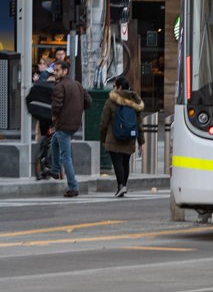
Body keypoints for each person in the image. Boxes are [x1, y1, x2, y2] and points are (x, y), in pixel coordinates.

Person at [49, 61, 91, 197]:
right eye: (54, 70)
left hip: (63, 124)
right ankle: (55, 170)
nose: (55, 72)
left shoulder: (59, 86)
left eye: (57, 70)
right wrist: (77, 109)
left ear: (65, 71)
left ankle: (73, 187)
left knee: (66, 156)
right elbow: (88, 102)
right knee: (55, 141)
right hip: (75, 124)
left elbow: (56, 107)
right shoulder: (78, 85)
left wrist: (54, 118)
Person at [99, 77, 146, 197]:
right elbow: (139, 124)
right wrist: (141, 141)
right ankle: (123, 185)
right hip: (130, 137)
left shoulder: (111, 101)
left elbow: (104, 122)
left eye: (115, 86)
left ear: (119, 87)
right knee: (125, 162)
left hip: (113, 137)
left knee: (117, 163)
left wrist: (103, 138)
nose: (114, 88)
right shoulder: (135, 101)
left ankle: (121, 185)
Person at [25, 67, 55, 181]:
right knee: (52, 138)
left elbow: (28, 98)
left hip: (39, 114)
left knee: (44, 135)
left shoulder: (38, 85)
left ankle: (41, 159)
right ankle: (48, 162)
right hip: (51, 117)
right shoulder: (55, 88)